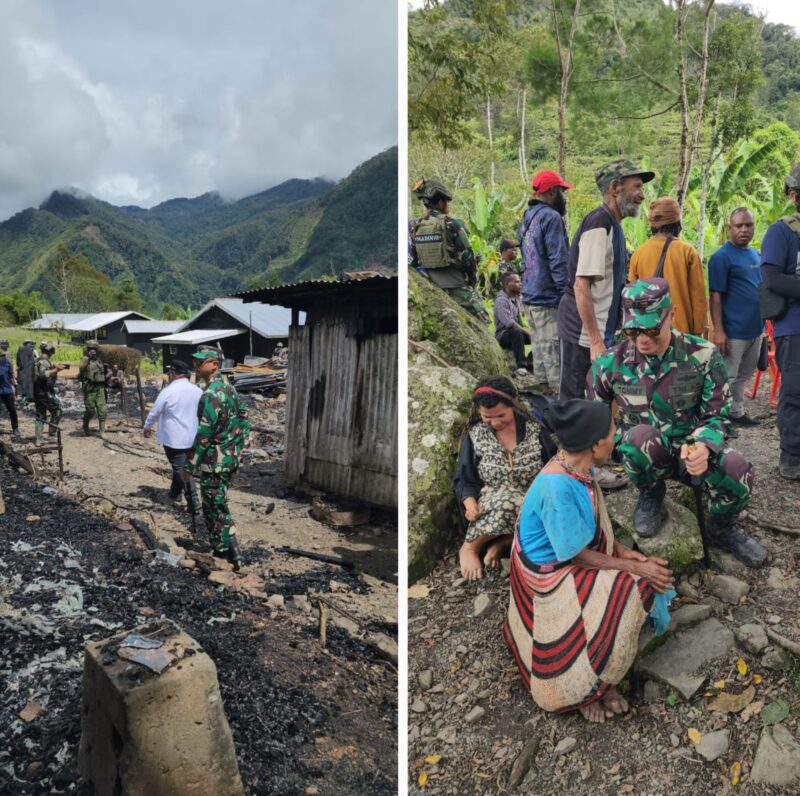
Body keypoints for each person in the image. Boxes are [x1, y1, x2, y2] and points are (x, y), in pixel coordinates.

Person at [503, 398, 674, 723]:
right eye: (612, 432)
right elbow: (576, 555)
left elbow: (591, 526)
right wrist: (634, 567)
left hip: (569, 556)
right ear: (595, 445)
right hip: (548, 576)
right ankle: (586, 688)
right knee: (634, 587)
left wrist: (621, 551)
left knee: (639, 578)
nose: (616, 437)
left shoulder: (577, 468)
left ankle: (600, 669)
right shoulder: (557, 488)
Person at [589, 278, 767, 567]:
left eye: (651, 329)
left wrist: (704, 446)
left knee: (739, 470)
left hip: (693, 452)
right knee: (638, 438)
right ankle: (651, 492)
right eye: (633, 330)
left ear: (671, 314)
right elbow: (593, 418)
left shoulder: (703, 354)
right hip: (645, 457)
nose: (642, 339)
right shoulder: (610, 363)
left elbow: (718, 413)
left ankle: (721, 528)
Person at [557, 159, 654, 399]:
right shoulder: (599, 224)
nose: (642, 195)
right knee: (575, 401)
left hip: (601, 330)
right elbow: (581, 285)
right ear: (614, 188)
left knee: (595, 398)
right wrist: (595, 341)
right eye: (637, 187)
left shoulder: (614, 225)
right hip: (583, 334)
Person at [454, 376, 543, 580]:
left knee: (548, 516)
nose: (495, 423)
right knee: (509, 502)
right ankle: (471, 547)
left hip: (533, 498)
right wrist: (470, 504)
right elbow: (464, 478)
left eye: (501, 415)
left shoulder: (535, 430)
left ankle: (502, 543)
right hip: (496, 503)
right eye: (487, 417)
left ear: (513, 404)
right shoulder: (475, 435)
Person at [184, 349, 251, 569]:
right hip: (229, 458)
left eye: (200, 362)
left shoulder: (211, 394)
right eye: (195, 362)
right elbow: (244, 418)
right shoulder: (230, 389)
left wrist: (189, 465)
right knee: (217, 502)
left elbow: (204, 434)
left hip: (215, 461)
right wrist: (241, 448)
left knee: (214, 506)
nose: (196, 366)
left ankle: (223, 552)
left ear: (214, 364)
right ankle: (231, 552)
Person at [760, 164, 800, 479]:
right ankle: (792, 457)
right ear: (794, 195)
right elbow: (772, 279)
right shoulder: (782, 232)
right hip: (794, 328)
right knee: (796, 392)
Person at [709, 207, 763, 430]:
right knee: (727, 377)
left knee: (743, 375)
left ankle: (736, 411)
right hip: (733, 331)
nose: (744, 230)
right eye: (738, 226)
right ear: (729, 228)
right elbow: (715, 296)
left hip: (756, 329)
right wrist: (718, 330)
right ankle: (719, 420)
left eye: (748, 225)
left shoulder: (756, 254)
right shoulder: (721, 257)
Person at [519, 169, 573, 391]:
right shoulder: (551, 217)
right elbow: (558, 259)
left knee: (540, 349)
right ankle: (560, 399)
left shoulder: (528, 216)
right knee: (555, 353)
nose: (564, 197)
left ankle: (544, 397)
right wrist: (567, 294)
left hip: (530, 295)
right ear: (551, 192)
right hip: (548, 296)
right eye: (561, 191)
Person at [409, 177, 490, 324]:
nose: (449, 205)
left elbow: (413, 260)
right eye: (447, 201)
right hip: (456, 285)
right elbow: (467, 258)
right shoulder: (452, 224)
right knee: (484, 322)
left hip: (432, 285)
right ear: (440, 203)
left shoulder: (416, 226)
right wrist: (472, 281)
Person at [628, 197, 707, 336]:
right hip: (681, 333)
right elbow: (698, 297)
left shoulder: (639, 253)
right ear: (677, 222)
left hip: (649, 332)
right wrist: (698, 332)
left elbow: (632, 296)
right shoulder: (687, 251)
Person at [144, 358, 202, 512]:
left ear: (173, 373)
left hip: (174, 438)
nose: (168, 376)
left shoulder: (168, 391)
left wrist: (147, 426)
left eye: (169, 373)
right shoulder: (197, 390)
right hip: (193, 436)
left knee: (180, 468)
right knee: (181, 466)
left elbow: (155, 411)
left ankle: (193, 501)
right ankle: (174, 493)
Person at [493, 272, 531, 376]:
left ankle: (531, 360)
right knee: (517, 332)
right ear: (507, 284)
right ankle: (521, 366)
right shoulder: (501, 300)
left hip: (516, 332)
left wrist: (530, 332)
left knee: (538, 336)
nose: (520, 284)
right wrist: (527, 333)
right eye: (517, 282)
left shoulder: (516, 298)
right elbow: (509, 323)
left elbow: (521, 318)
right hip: (503, 335)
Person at [33, 342, 66, 445]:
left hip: (40, 391)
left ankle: (39, 439)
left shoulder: (40, 360)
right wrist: (56, 370)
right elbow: (42, 375)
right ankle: (50, 435)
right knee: (57, 410)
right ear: (50, 351)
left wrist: (54, 367)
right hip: (43, 392)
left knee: (41, 414)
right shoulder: (43, 361)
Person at [79, 340, 108, 438]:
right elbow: (81, 370)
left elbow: (102, 372)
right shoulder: (85, 359)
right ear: (87, 350)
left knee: (102, 410)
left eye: (95, 349)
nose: (93, 351)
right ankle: (85, 427)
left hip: (100, 388)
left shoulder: (98, 360)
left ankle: (102, 431)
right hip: (89, 388)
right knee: (90, 410)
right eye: (91, 349)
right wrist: (88, 360)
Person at [0, 341, 20, 437]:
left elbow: (11, 376)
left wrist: (15, 386)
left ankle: (15, 428)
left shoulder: (7, 363)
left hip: (7, 390)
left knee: (12, 410)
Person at [15, 339, 35, 406]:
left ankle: (21, 397)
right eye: (31, 344)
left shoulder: (20, 349)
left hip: (22, 372)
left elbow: (18, 361)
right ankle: (29, 399)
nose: (31, 345)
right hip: (29, 372)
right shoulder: (31, 351)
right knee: (29, 385)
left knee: (21, 385)